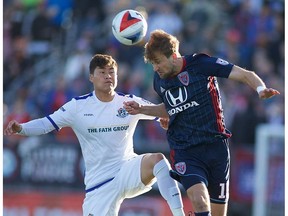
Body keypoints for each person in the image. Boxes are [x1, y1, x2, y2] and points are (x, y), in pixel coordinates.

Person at [4, 54, 185, 216]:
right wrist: (21, 128)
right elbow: (46, 124)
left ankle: (179, 214)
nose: (108, 76)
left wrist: (163, 117)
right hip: (99, 185)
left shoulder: (129, 102)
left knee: (158, 161)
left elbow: (163, 110)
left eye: (112, 72)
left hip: (126, 170)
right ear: (91, 77)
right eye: (102, 72)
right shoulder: (77, 107)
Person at [123, 29, 280, 216]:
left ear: (173, 56)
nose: (155, 68)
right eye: (152, 63)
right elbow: (170, 107)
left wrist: (260, 89)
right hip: (186, 149)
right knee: (198, 199)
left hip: (216, 147)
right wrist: (142, 109)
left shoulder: (201, 64)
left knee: (217, 212)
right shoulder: (160, 80)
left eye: (158, 62)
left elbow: (245, 74)